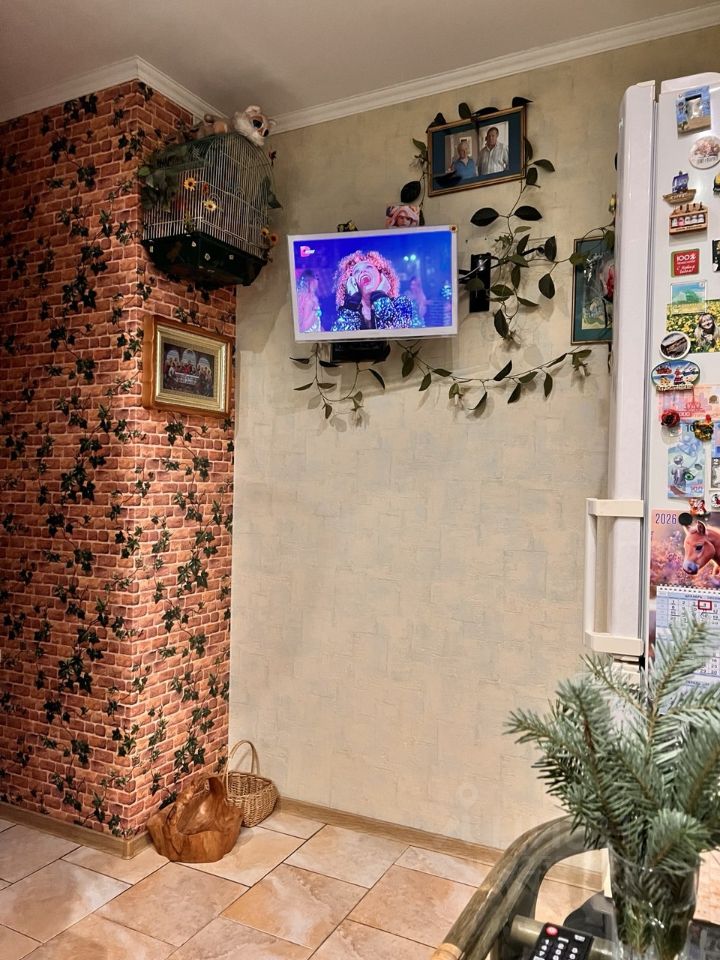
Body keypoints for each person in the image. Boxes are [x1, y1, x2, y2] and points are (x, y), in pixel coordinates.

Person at [331, 250, 419, 332]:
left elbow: (396, 334)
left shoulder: (401, 304)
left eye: (368, 267)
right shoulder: (345, 311)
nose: (363, 271)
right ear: (351, 282)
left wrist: (379, 296)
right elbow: (339, 338)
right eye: (357, 271)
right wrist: (351, 305)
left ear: (382, 275)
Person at [296, 269, 322, 334]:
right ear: (312, 282)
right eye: (316, 278)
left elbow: (316, 323)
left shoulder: (311, 298)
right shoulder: (309, 301)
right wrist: (315, 308)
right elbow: (304, 327)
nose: (318, 281)